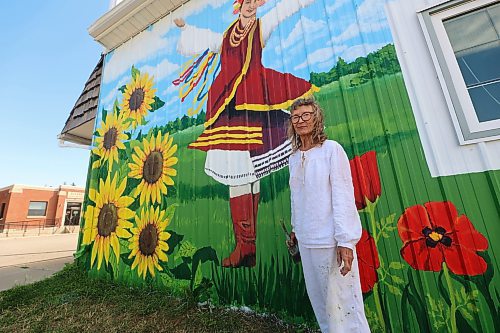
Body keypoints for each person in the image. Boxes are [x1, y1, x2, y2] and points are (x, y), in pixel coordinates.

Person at [174, 0, 318, 267]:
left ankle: (247, 247)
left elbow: (282, 11)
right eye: (247, 1)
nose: (251, 5)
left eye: (255, 2)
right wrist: (186, 28)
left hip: (252, 103)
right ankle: (245, 246)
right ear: (239, 6)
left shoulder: (261, 29)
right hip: (227, 108)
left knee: (247, 173)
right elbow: (205, 38)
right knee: (238, 173)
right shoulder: (227, 35)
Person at [287, 98, 370, 332]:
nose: (301, 120)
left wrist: (346, 241)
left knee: (344, 304)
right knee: (322, 304)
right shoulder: (294, 158)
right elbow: (297, 197)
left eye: (306, 115)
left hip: (330, 241)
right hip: (306, 241)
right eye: (295, 117)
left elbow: (343, 194)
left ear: (317, 118)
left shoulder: (331, 150)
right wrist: (295, 229)